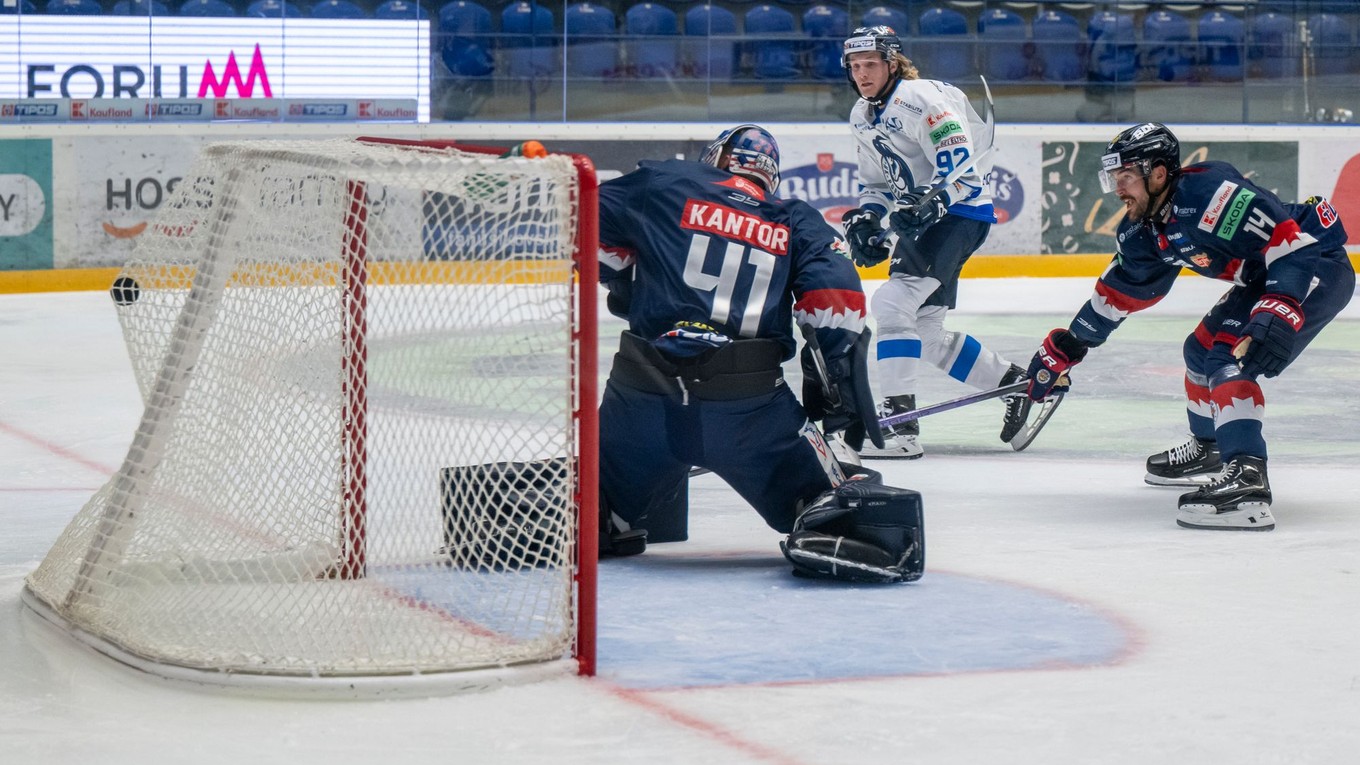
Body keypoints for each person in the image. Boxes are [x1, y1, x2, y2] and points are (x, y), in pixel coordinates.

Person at [594, 124, 923, 583]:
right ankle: (821, 514)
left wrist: (627, 280)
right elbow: (838, 307)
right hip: (749, 413)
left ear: (716, 158)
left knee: (587, 507)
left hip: (641, 399)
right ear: (771, 175)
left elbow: (585, 225)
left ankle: (613, 514)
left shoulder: (666, 181)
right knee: (844, 503)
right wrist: (834, 396)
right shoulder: (797, 219)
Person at [1024, 122, 1354, 531]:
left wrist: (1279, 308)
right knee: (1199, 351)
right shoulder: (1145, 227)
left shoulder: (1209, 197)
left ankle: (1248, 481)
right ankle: (1211, 448)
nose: (1117, 189)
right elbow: (1122, 291)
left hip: (1311, 264)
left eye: (1125, 177)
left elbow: (1291, 243)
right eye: (1114, 178)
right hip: (1263, 273)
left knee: (1229, 358)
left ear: (1158, 173)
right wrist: (1070, 347)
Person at [839, 25, 1031, 460]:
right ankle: (1016, 385)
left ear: (893, 64)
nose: (862, 73)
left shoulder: (922, 100)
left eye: (870, 64)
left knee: (892, 305)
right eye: (854, 66)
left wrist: (929, 205)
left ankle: (899, 428)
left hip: (961, 214)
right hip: (931, 222)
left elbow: (963, 176)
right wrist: (868, 217)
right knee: (923, 332)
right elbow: (875, 183)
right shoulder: (860, 114)